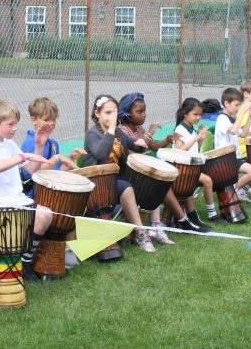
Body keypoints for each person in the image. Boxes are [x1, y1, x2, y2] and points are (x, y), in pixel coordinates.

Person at [0, 99, 53, 282]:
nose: (15, 129)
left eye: (16, 124)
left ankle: (25, 263)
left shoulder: (9, 145)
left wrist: (39, 145)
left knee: (46, 214)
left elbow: (32, 170)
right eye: (10, 124)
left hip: (16, 200)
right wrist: (21, 157)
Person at [81, 94, 156, 252]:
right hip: (98, 185)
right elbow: (102, 153)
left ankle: (156, 226)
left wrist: (142, 141)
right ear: (97, 114)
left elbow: (136, 146)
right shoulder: (92, 134)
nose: (112, 116)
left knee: (150, 180)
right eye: (108, 112)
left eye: (114, 112)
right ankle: (141, 233)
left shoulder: (119, 133)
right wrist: (111, 129)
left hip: (116, 182)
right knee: (127, 187)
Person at [19, 97, 85, 269]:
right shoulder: (29, 143)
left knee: (72, 206)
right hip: (32, 195)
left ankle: (66, 250)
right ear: (33, 119)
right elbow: (34, 174)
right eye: (46, 120)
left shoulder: (54, 144)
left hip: (48, 193)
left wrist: (69, 160)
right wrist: (56, 158)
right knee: (67, 209)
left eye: (53, 120)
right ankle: (43, 255)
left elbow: (54, 176)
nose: (51, 123)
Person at [117, 92, 186, 245]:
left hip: (142, 174)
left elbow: (153, 145)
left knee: (159, 183)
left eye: (144, 111)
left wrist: (168, 139)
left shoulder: (139, 128)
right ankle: (179, 220)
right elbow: (127, 153)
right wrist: (148, 135)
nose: (143, 115)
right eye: (139, 112)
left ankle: (157, 225)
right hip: (129, 174)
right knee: (159, 184)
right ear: (127, 113)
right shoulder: (121, 130)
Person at [172, 97, 216, 231]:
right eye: (195, 114)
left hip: (189, 169)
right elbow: (180, 151)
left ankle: (202, 214)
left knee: (204, 180)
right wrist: (197, 137)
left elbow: (194, 148)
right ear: (185, 113)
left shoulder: (192, 129)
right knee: (204, 181)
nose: (198, 117)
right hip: (179, 169)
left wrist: (200, 138)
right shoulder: (179, 130)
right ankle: (196, 215)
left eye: (200, 114)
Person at [214, 87, 251, 205]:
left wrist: (250, 116)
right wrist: (243, 111)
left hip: (234, 158)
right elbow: (234, 130)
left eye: (240, 105)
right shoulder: (222, 118)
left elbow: (243, 134)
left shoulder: (230, 119)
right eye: (236, 105)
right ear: (226, 103)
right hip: (224, 159)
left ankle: (234, 190)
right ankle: (233, 191)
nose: (238, 108)